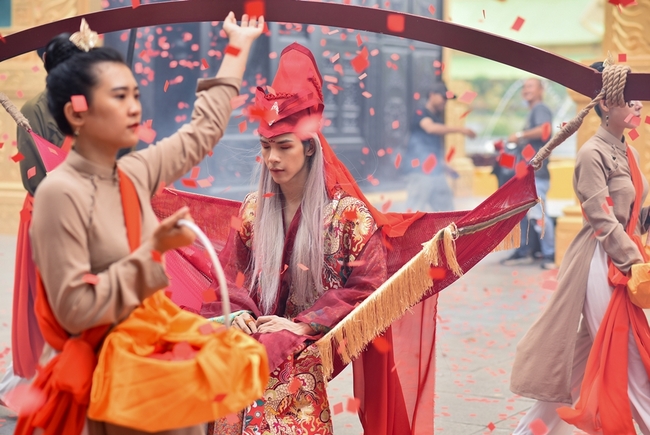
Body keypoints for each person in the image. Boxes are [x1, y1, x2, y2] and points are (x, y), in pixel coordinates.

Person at [20, 13, 264, 435]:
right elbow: (74, 310)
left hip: (158, 351)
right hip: (113, 380)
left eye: (135, 94)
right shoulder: (60, 193)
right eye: (119, 97)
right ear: (77, 113)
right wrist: (150, 252)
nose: (135, 107)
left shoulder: (133, 173)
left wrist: (237, 45)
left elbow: (202, 132)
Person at [202, 42, 389, 435]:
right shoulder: (253, 210)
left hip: (305, 349)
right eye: (266, 147)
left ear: (308, 149)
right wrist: (239, 315)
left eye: (283, 147)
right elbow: (232, 277)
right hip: (252, 341)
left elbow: (368, 288)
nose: (272, 159)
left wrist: (304, 326)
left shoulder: (348, 216)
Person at [510, 62, 650, 434]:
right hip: (601, 261)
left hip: (623, 258)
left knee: (582, 361)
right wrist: (634, 262)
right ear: (605, 104)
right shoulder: (592, 153)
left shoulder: (630, 153)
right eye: (630, 100)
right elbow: (601, 216)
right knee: (629, 352)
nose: (638, 106)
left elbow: (633, 215)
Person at [0, 33, 80, 409]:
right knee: (46, 305)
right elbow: (33, 177)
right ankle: (37, 384)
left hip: (84, 215)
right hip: (49, 217)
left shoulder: (85, 104)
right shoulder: (34, 109)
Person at [501, 78, 555, 269]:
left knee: (539, 215)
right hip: (528, 175)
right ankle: (525, 252)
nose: (526, 90)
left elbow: (545, 130)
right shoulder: (534, 111)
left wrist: (520, 135)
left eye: (530, 86)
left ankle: (550, 255)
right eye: (524, 87)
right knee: (523, 214)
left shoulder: (540, 109)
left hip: (536, 175)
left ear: (541, 90)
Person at [404, 81, 476, 212]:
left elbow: (431, 149)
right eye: (443, 97)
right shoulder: (421, 112)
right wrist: (461, 130)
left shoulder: (437, 118)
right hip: (419, 172)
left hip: (436, 172)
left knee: (447, 211)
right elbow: (430, 128)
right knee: (414, 212)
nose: (445, 101)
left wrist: (444, 166)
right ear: (432, 95)